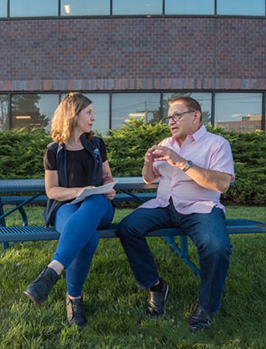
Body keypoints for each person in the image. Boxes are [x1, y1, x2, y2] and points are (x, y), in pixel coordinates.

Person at [116, 96, 235, 333]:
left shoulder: (216, 144)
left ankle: (206, 307)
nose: (171, 121)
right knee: (127, 228)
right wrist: (148, 163)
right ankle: (155, 285)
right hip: (164, 205)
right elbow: (149, 179)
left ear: (196, 116)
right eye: (169, 117)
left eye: (177, 115)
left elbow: (222, 184)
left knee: (216, 246)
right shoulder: (165, 142)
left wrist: (182, 163)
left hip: (199, 207)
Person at [24, 92, 116, 329]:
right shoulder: (54, 150)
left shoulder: (96, 144)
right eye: (89, 112)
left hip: (99, 208)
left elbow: (107, 177)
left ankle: (51, 272)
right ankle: (74, 299)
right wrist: (79, 191)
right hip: (65, 207)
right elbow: (52, 191)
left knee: (94, 202)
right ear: (73, 115)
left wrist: (107, 188)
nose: (93, 118)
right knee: (88, 237)